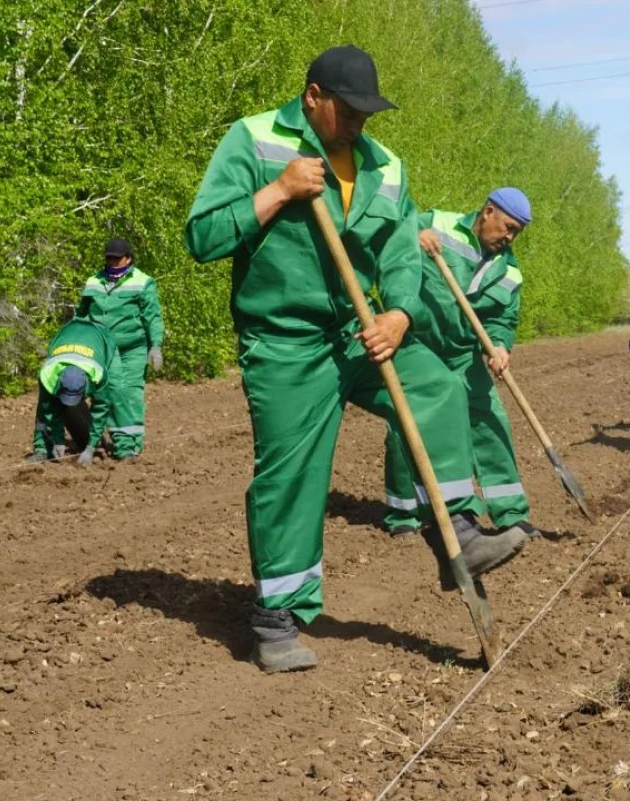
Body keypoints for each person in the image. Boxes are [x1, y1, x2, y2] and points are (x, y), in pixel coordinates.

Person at [184, 45, 527, 674]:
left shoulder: (385, 165)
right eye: (348, 112)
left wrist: (399, 313)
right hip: (284, 339)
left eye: (368, 113)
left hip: (357, 328)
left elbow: (401, 249)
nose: (359, 125)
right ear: (312, 96)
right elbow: (202, 236)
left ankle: (456, 533)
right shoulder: (257, 140)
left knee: (439, 386)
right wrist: (278, 192)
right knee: (294, 472)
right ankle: (276, 619)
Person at [382, 188, 539, 539]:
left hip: (463, 353)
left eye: (517, 232)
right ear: (487, 212)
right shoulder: (439, 224)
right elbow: (394, 235)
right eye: (508, 227)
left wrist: (499, 346)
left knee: (490, 421)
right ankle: (403, 513)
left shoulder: (510, 271)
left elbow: (503, 319)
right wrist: (413, 234)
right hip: (417, 345)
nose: (510, 237)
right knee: (406, 423)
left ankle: (510, 512)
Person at [75, 238, 165, 461]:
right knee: (108, 394)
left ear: (129, 258)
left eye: (116, 258)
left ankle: (131, 445)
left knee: (129, 394)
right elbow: (82, 314)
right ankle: (121, 443)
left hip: (132, 348)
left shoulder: (142, 281)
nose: (112, 262)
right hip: (103, 349)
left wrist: (155, 345)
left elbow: (152, 316)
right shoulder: (94, 282)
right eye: (109, 258)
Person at [26, 317, 122, 468]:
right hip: (67, 332)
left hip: (100, 337)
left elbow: (101, 410)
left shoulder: (98, 373)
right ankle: (42, 449)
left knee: (117, 394)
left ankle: (124, 447)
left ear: (86, 384)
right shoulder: (48, 373)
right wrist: (58, 440)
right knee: (45, 407)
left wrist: (90, 449)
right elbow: (49, 409)